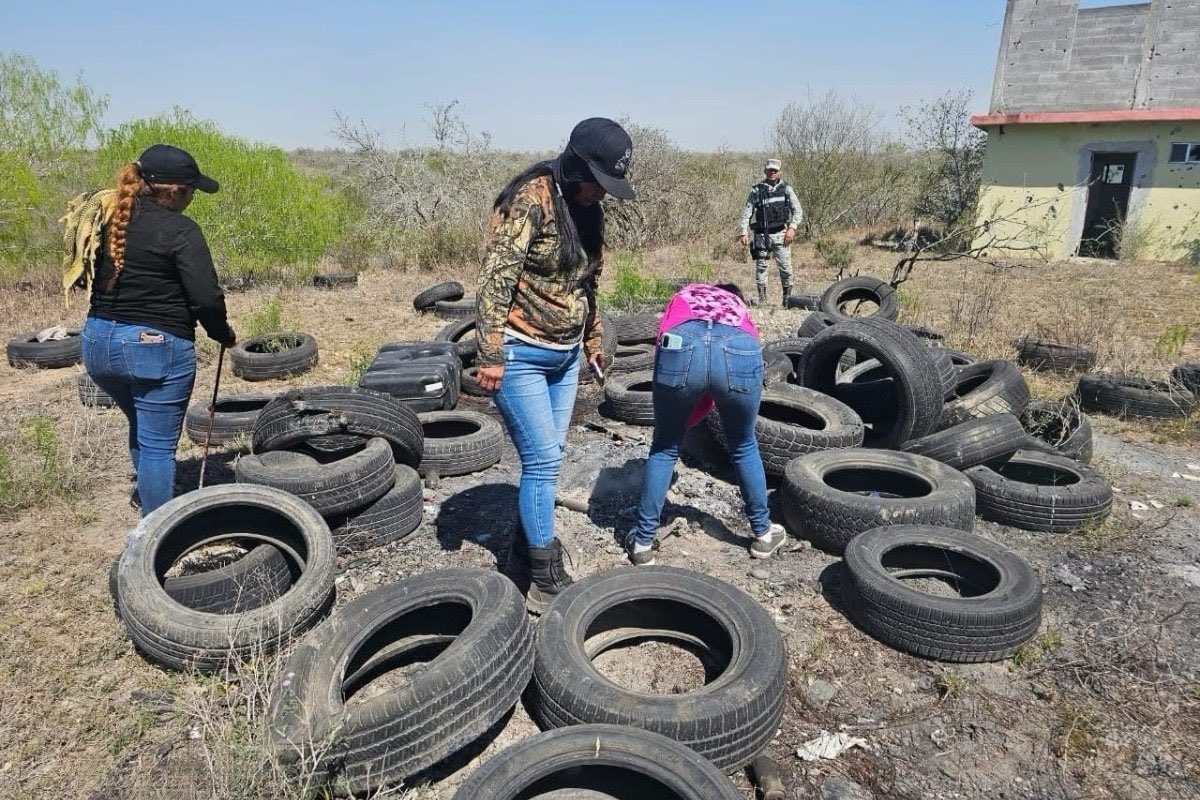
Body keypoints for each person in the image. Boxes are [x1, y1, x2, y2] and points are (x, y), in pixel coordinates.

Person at [474, 117, 636, 613]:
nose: (600, 195)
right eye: (597, 183)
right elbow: (496, 278)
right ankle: (543, 576)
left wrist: (592, 339)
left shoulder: (589, 211)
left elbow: (586, 284)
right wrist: (490, 353)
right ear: (575, 166)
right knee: (543, 461)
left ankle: (526, 552)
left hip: (565, 357)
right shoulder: (531, 199)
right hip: (521, 352)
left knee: (552, 455)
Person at [82, 144, 236, 515]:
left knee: (141, 422)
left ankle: (152, 497)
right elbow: (206, 298)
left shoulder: (108, 219)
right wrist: (222, 333)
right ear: (175, 191)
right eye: (192, 190)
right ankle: (157, 535)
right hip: (152, 347)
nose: (193, 197)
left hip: (97, 343)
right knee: (157, 447)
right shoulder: (181, 230)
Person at [623, 282, 786, 565]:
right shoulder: (738, 307)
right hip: (740, 345)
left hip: (682, 342)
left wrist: (680, 419)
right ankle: (762, 534)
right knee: (744, 445)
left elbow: (662, 342)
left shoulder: (685, 294)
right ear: (735, 296)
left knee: (664, 447)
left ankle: (642, 543)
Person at [738, 158, 803, 307]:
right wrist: (743, 231)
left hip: (781, 235)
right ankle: (763, 301)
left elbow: (798, 211)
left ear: (779, 171)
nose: (772, 173)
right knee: (761, 268)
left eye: (775, 170)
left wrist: (792, 228)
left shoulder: (787, 189)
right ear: (765, 171)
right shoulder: (756, 190)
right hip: (761, 236)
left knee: (786, 269)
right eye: (769, 170)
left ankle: (787, 301)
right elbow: (747, 212)